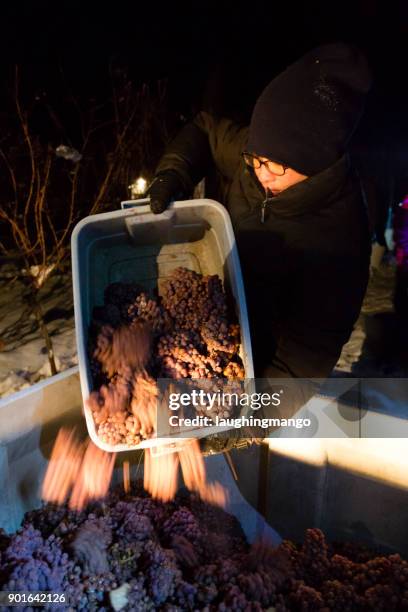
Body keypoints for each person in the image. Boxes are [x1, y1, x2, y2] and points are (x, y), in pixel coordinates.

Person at [149, 44, 372, 394]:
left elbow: (304, 362)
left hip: (259, 361)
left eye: (275, 165)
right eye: (255, 156)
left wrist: (251, 420)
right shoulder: (260, 156)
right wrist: (173, 173)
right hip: (214, 302)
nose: (260, 172)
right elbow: (207, 129)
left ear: (316, 165)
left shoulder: (340, 243)